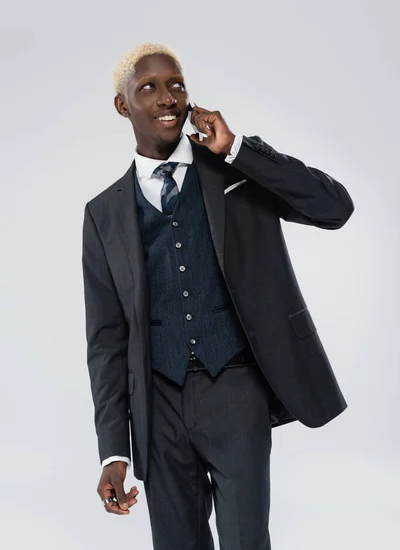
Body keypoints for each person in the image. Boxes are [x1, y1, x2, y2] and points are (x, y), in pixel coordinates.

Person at [82, 41, 355, 549]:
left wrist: (239, 149)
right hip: (157, 407)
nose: (168, 98)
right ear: (124, 105)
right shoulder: (102, 215)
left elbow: (334, 208)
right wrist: (112, 450)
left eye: (177, 85)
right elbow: (106, 340)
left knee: (246, 540)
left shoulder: (235, 170)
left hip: (235, 390)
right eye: (149, 88)